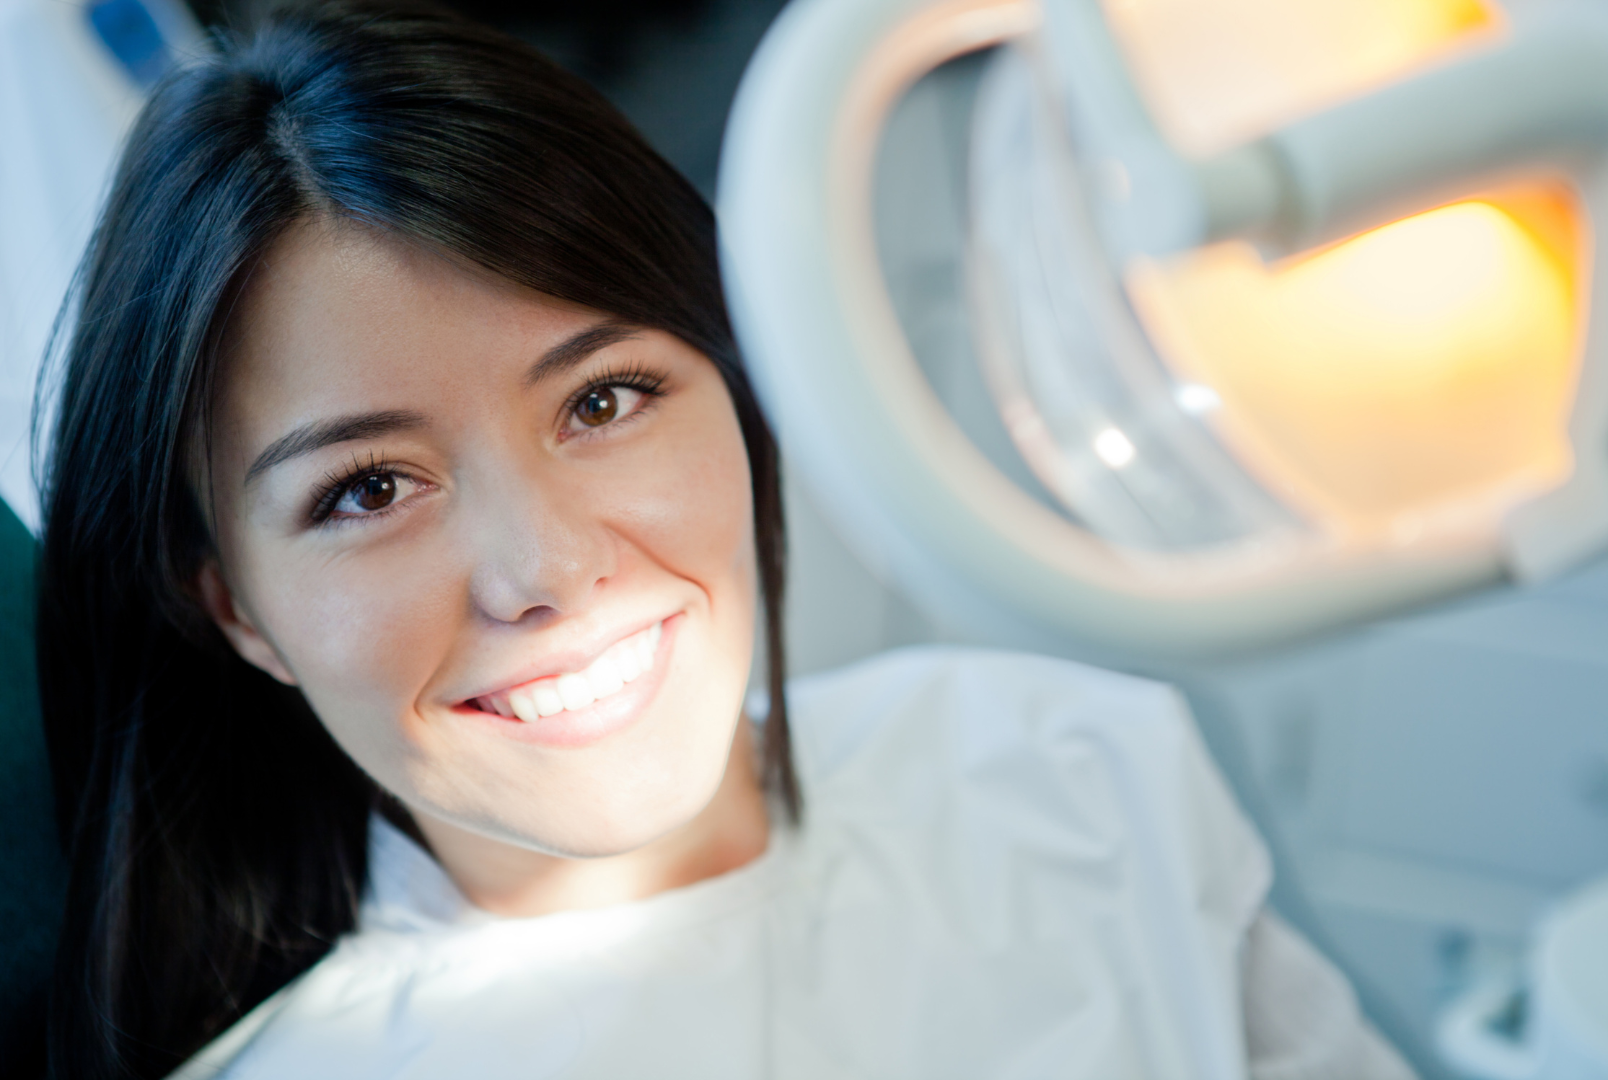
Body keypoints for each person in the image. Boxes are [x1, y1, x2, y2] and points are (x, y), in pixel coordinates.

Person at [34, 3, 1416, 1077]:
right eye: (368, 491)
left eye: (604, 399)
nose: (550, 573)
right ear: (239, 612)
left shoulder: (1077, 771)